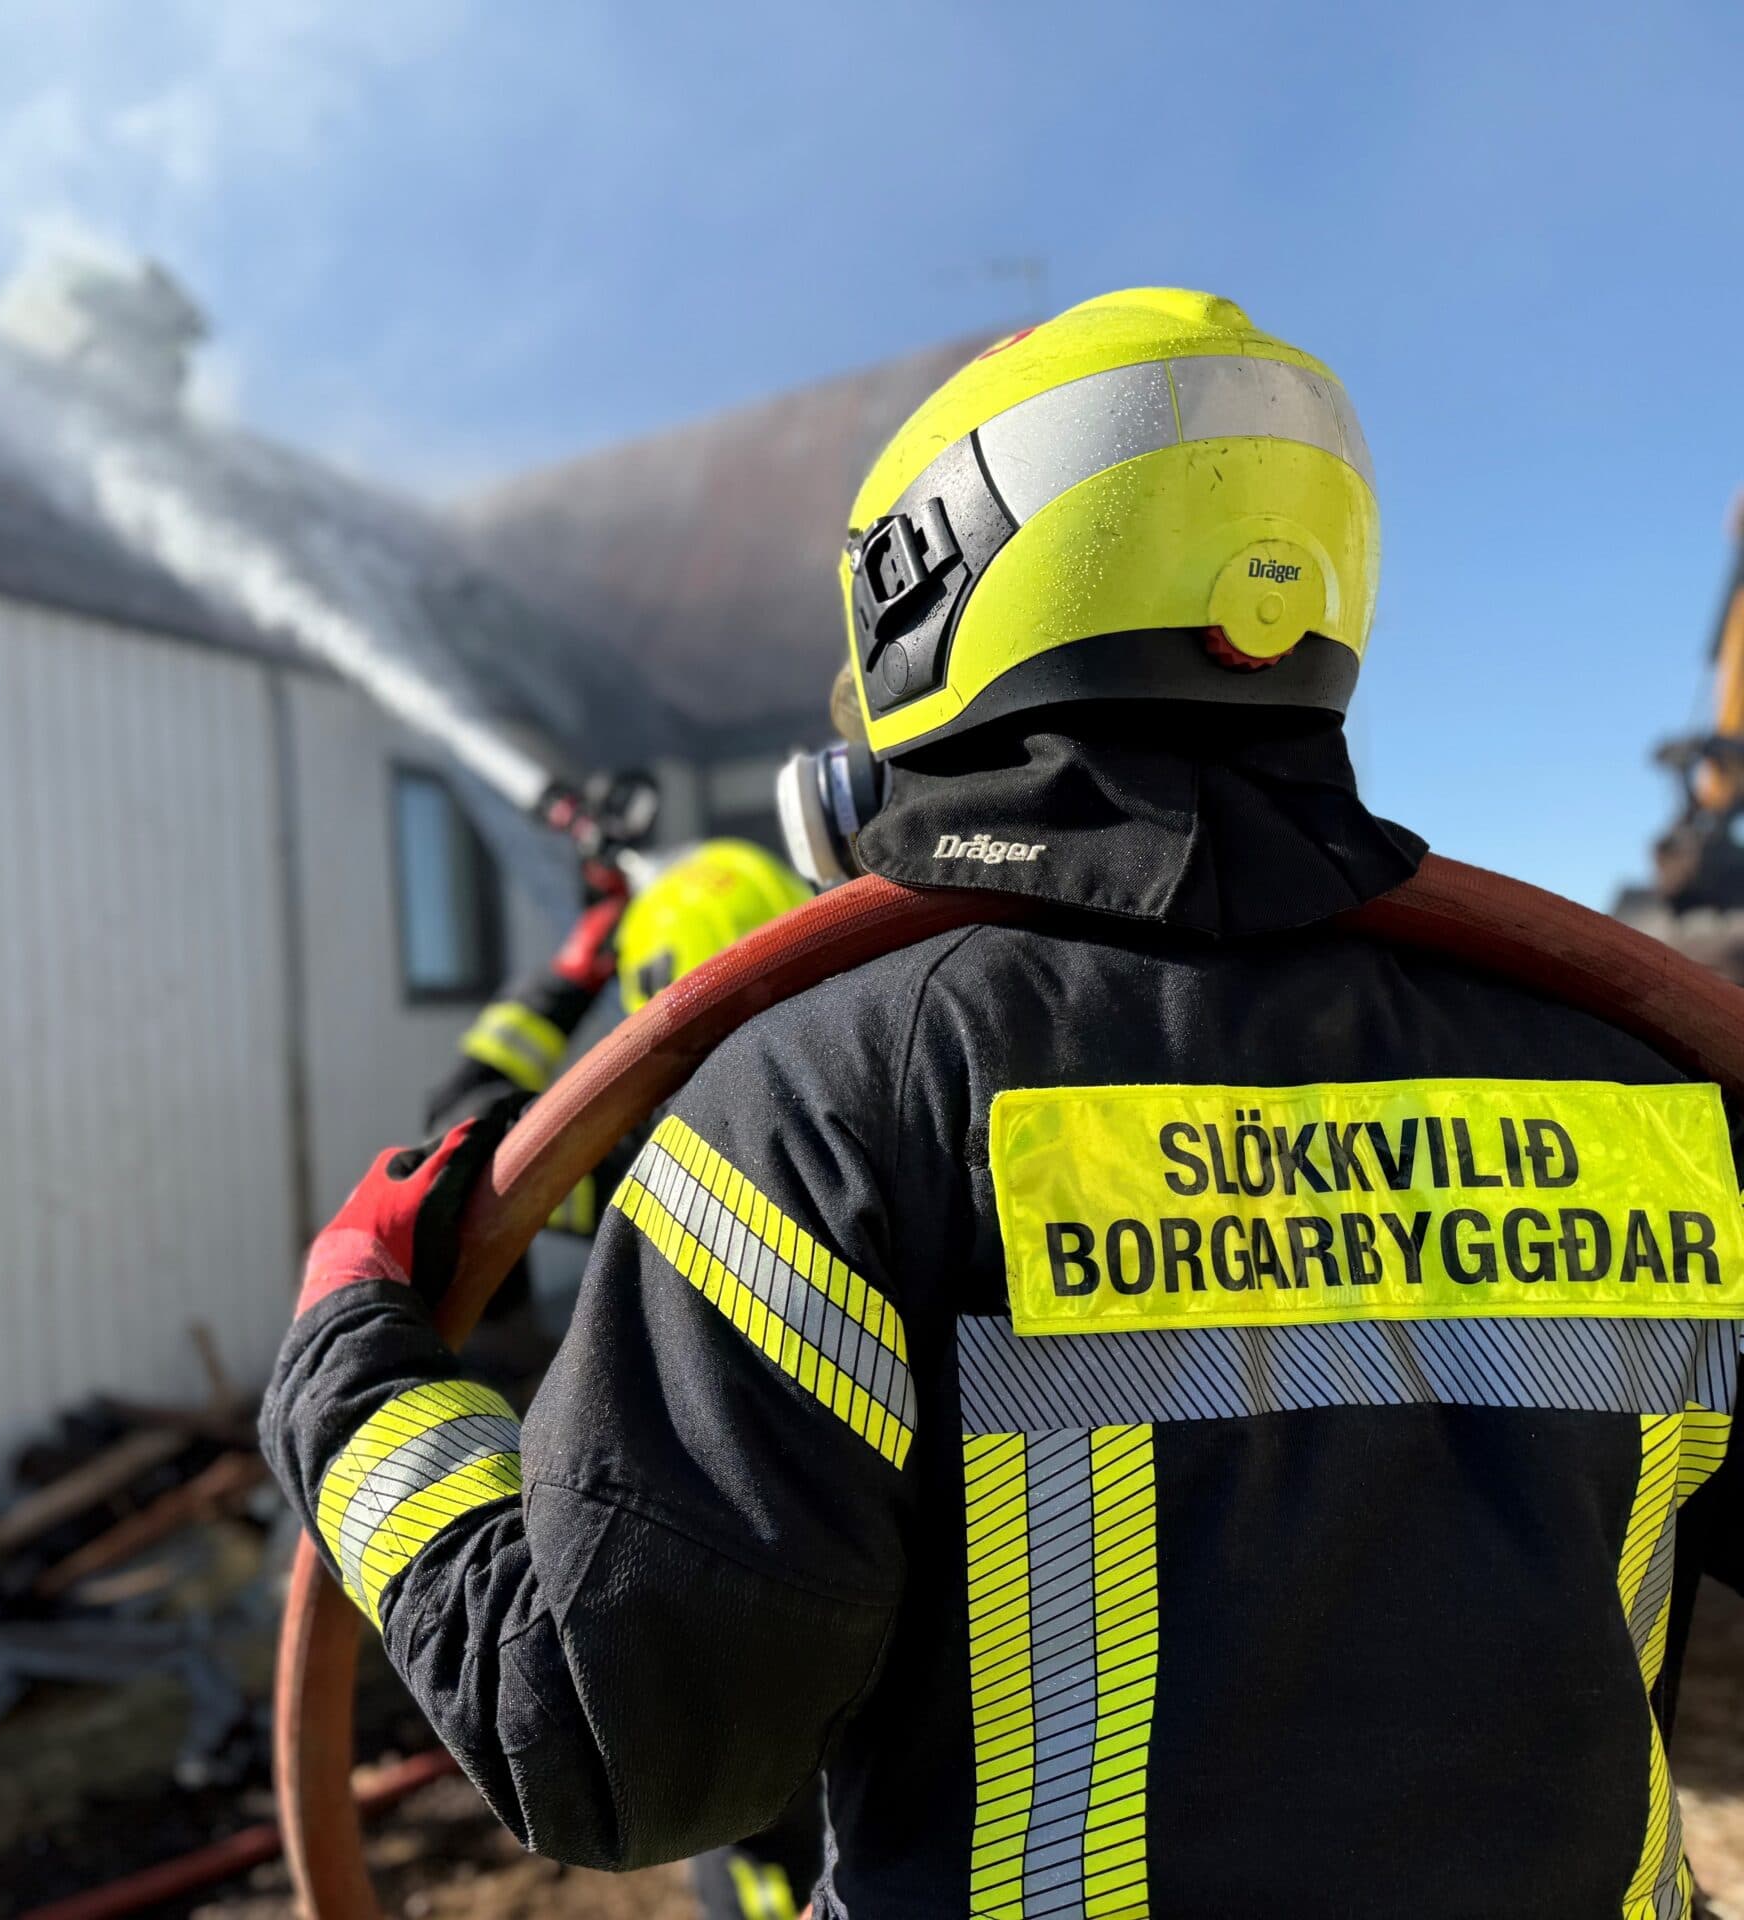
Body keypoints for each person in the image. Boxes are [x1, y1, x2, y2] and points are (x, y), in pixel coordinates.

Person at [263, 287, 1744, 1917]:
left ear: (922, 596)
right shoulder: (1647, 1081)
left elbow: (614, 1749)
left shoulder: (828, 1099)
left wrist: (346, 1361)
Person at [421, 835, 821, 1920]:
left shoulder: (645, 1167)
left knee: (756, 1846)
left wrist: (572, 968)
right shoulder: (869, 1112)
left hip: (712, 1619)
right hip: (893, 1611)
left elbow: (461, 1137)